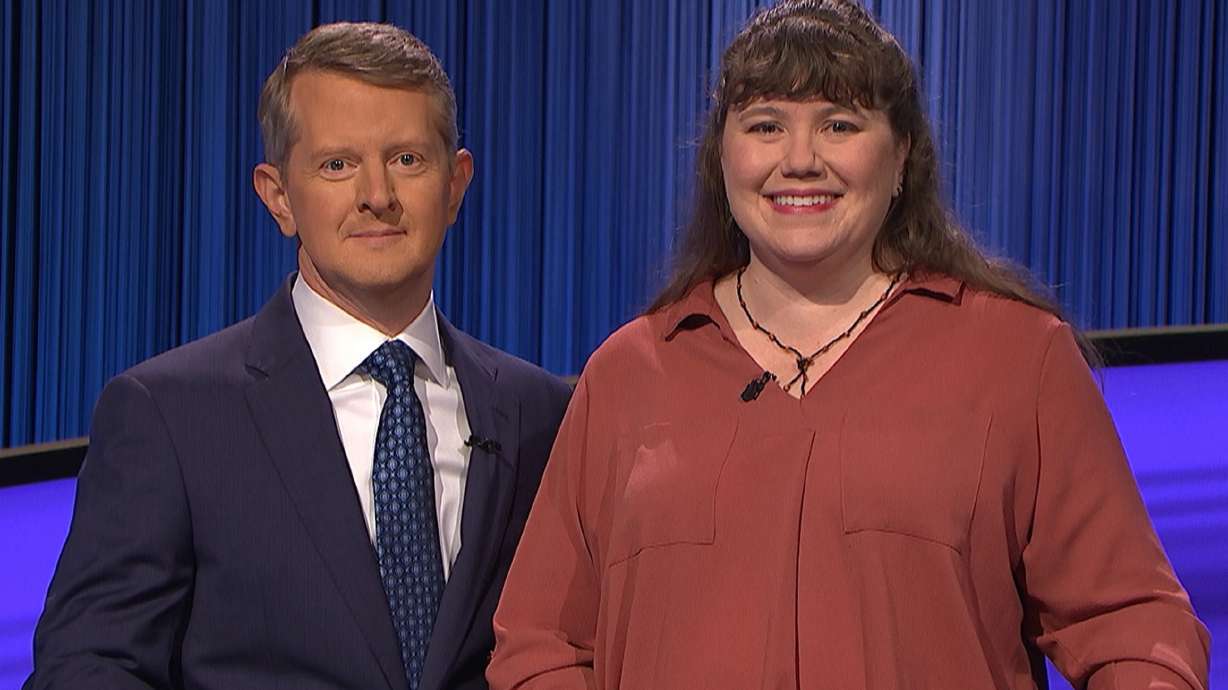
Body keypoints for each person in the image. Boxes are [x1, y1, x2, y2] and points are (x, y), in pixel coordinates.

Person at [485, 1, 1210, 688]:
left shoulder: (1018, 359)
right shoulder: (628, 373)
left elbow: (1129, 624)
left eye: (838, 125)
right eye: (766, 126)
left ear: (902, 161)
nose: (799, 160)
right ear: (722, 159)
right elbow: (540, 645)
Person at [25, 22, 570, 690]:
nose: (377, 195)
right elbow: (89, 666)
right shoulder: (168, 415)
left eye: (406, 159)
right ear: (279, 196)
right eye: (337, 165)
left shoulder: (542, 413)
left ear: (455, 183)